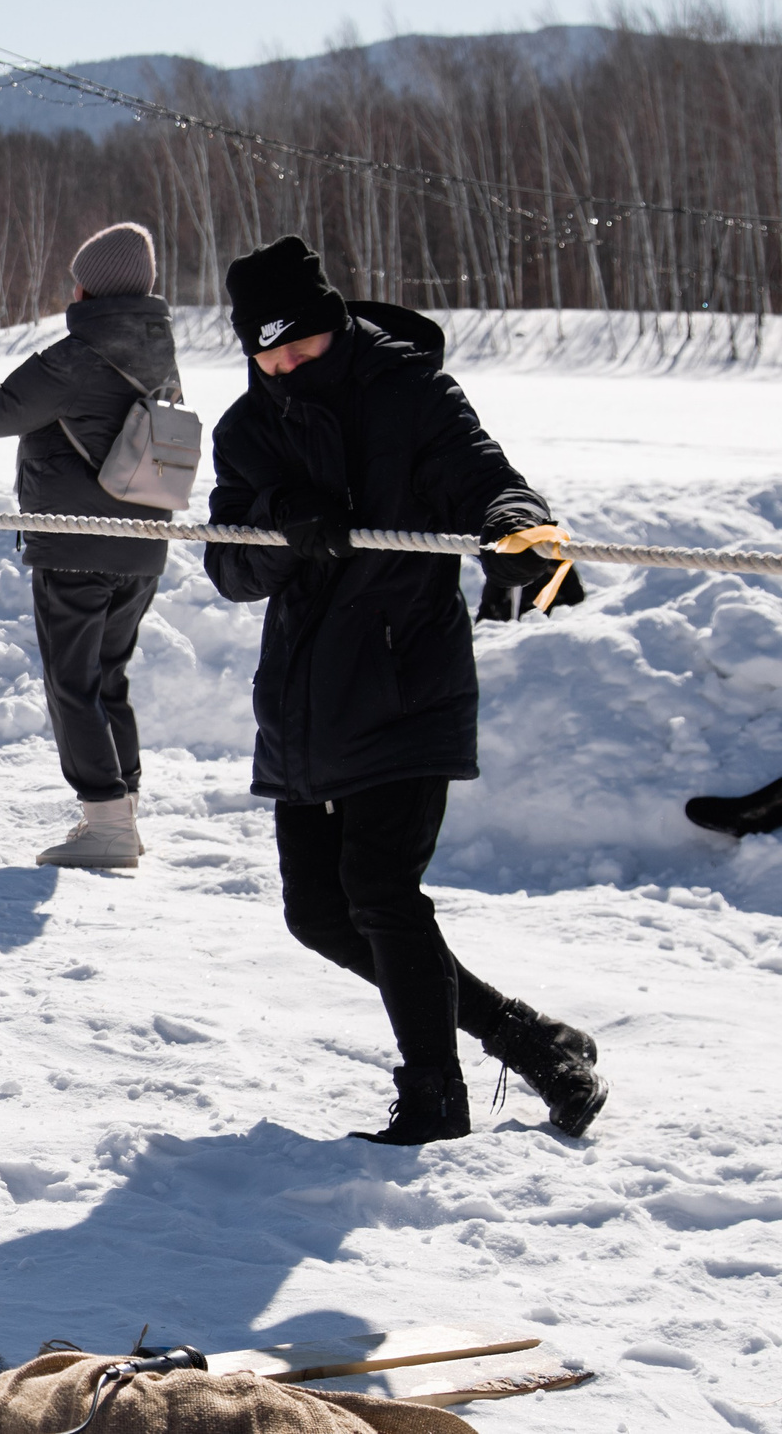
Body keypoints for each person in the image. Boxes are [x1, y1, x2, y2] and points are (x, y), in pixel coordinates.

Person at [205, 233, 608, 1144]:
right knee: (319, 914)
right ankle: (532, 1039)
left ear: (333, 325)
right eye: (267, 351)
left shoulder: (408, 390)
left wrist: (519, 529)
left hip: (403, 677)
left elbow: (483, 477)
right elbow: (227, 566)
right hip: (306, 694)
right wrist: (277, 521)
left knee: (381, 891)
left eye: (300, 345)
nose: (285, 365)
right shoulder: (246, 427)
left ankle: (433, 1096)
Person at [0, 222, 179, 867]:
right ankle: (119, 811)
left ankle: (108, 827)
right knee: (108, 679)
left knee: (73, 686)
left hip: (76, 544)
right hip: (144, 540)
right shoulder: (159, 352)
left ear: (86, 286)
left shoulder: (76, 355)